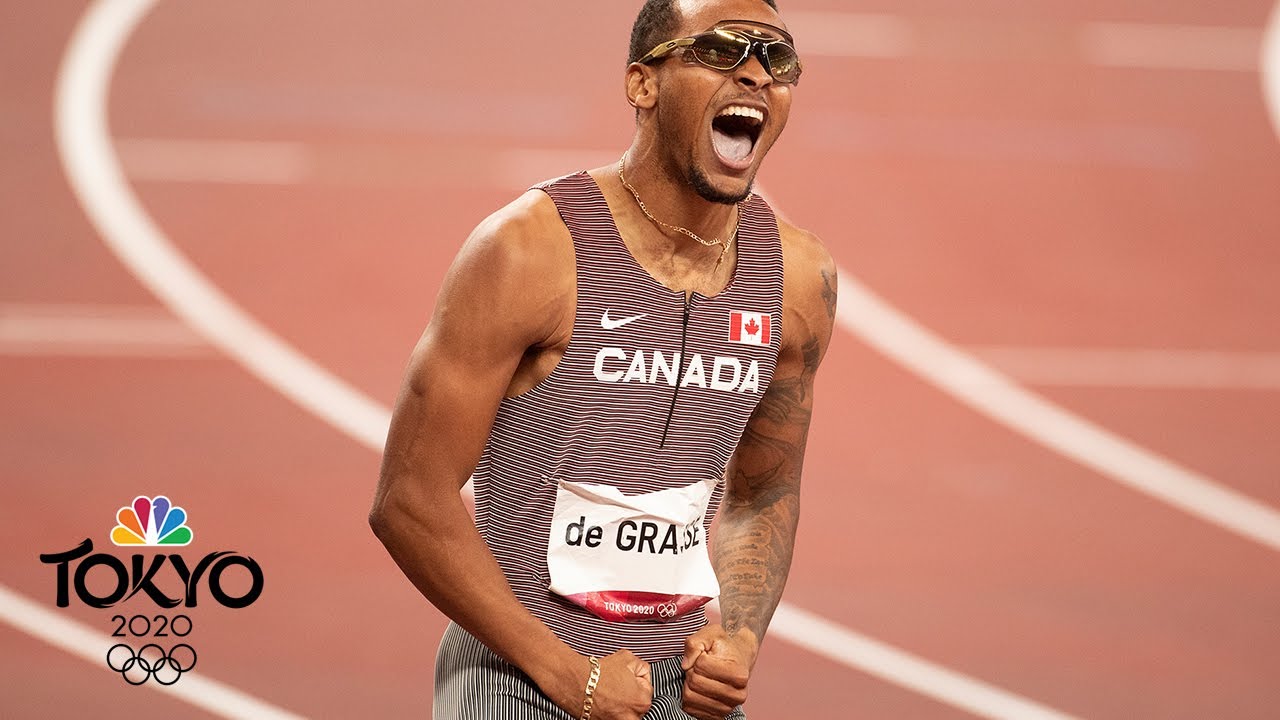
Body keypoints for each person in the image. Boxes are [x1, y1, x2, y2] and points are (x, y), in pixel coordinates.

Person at [369, 0, 836, 717]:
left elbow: (763, 492)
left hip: (679, 681)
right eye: (719, 51)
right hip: (517, 673)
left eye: (777, 58)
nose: (754, 73)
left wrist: (738, 637)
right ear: (642, 85)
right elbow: (409, 499)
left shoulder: (797, 279)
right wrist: (566, 674)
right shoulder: (529, 251)